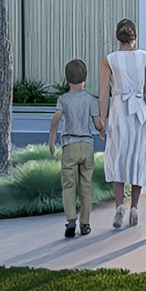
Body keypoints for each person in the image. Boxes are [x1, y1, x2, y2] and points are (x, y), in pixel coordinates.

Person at [97, 19, 146, 229]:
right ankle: (135, 207)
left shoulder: (108, 60)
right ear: (135, 37)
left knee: (117, 156)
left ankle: (120, 204)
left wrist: (102, 120)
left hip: (119, 111)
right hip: (138, 112)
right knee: (138, 157)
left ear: (117, 37)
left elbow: (103, 94)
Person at [47, 57, 99, 238]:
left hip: (69, 145)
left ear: (67, 79)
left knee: (68, 185)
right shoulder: (91, 99)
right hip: (87, 145)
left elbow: (55, 122)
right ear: (85, 78)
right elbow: (98, 123)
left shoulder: (63, 99)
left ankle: (70, 221)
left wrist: (51, 143)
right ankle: (85, 224)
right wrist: (102, 129)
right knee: (86, 186)